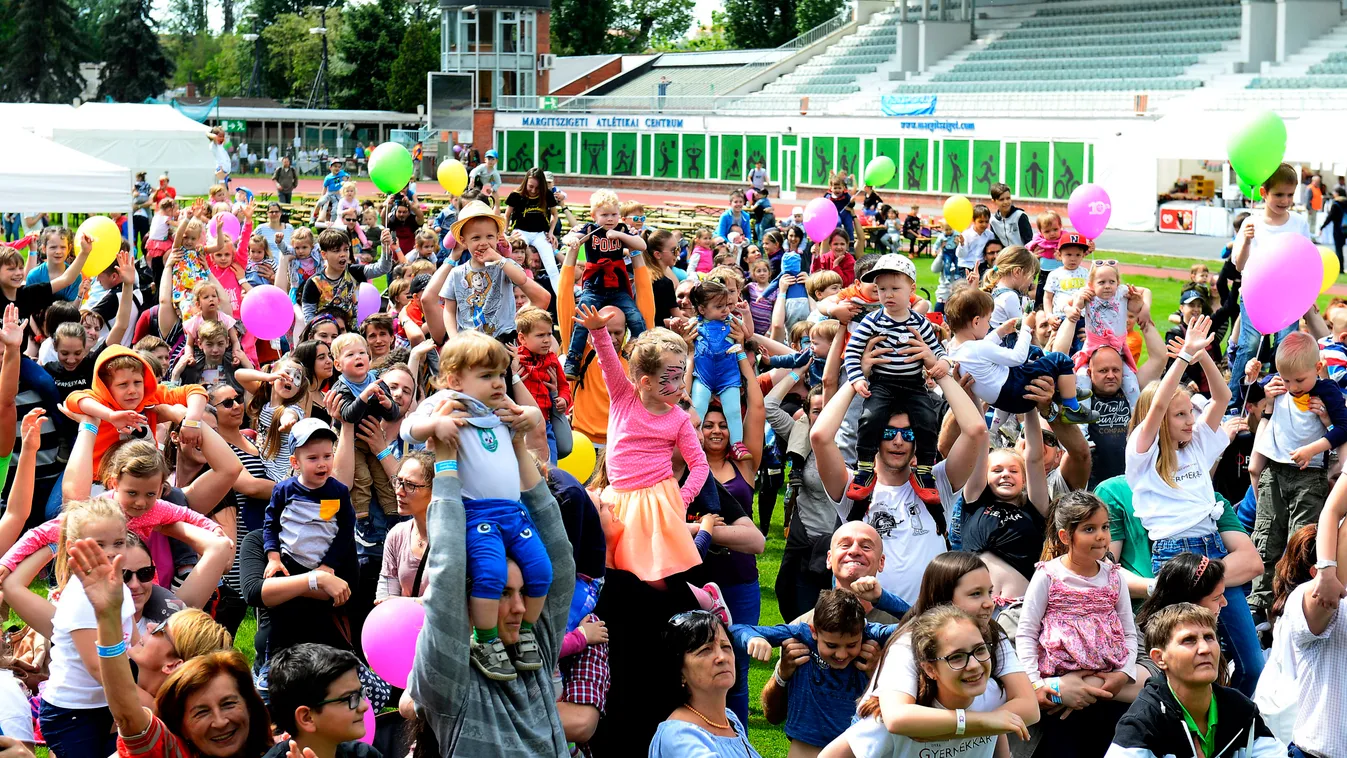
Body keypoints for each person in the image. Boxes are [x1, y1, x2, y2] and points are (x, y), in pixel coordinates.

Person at [408, 394, 576, 755]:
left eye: (522, 592)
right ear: (466, 602)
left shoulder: (533, 649)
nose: (520, 607)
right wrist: (446, 462)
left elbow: (560, 561)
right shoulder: (450, 676)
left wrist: (517, 447)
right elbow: (448, 571)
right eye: (501, 592)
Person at [400, 332, 552, 681]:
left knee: (541, 569)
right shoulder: (447, 402)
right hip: (477, 513)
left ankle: (524, 631)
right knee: (490, 573)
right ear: (455, 380)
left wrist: (529, 416)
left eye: (500, 374)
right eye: (486, 376)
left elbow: (531, 415)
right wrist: (436, 424)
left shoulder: (499, 406)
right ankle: (485, 639)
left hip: (514, 511)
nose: (498, 383)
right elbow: (409, 428)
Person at [826, 605, 1031, 758]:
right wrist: (978, 721)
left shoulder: (993, 696)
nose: (974, 665)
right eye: (956, 657)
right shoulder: (898, 718)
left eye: (979, 650)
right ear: (930, 669)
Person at [1246, 332, 1344, 615]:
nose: (1293, 387)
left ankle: (1289, 604)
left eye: (1299, 380)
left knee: (1299, 542)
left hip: (1309, 476)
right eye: (1286, 380)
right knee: (1266, 536)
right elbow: (1247, 399)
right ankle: (1259, 603)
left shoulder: (1326, 391)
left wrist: (1314, 448)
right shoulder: (1277, 385)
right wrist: (1251, 380)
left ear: (1317, 368)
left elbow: (1344, 427)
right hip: (1275, 472)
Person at [732, 589, 898, 754]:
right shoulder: (801, 634)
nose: (841, 654)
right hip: (805, 750)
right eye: (831, 645)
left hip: (852, 750)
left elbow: (913, 621)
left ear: (862, 630)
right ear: (814, 631)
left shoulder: (872, 635)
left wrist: (882, 597)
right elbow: (736, 629)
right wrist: (753, 638)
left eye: (852, 645)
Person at [1104, 603, 1281, 758]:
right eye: (1189, 640)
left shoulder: (1239, 708)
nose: (1205, 649)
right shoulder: (1144, 721)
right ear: (1159, 658)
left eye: (1209, 637)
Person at [843, 254, 950, 503]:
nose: (887, 295)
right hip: (883, 382)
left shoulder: (920, 323)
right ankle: (865, 468)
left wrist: (944, 362)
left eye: (895, 289)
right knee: (870, 418)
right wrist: (858, 378)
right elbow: (853, 352)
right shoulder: (872, 321)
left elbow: (937, 349)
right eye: (882, 289)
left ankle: (924, 469)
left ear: (911, 289)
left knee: (927, 419)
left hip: (914, 384)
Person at [649, 611, 763, 757]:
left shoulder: (729, 719)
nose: (722, 657)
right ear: (679, 670)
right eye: (705, 650)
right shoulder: (678, 737)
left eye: (726, 647)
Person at [562, 190, 649, 378]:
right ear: (594, 215)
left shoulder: (622, 229)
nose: (610, 219)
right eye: (604, 215)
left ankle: (640, 353)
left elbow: (642, 245)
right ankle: (573, 360)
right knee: (583, 320)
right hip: (595, 286)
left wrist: (619, 236)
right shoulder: (589, 229)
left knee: (635, 318)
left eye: (614, 214)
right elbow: (570, 237)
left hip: (617, 287)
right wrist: (572, 240)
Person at [267, 644, 378, 757]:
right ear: (307, 718)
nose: (364, 706)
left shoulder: (365, 754)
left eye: (360, 693)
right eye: (349, 698)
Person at [502, 168, 561, 286]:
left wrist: (550, 232)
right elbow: (507, 215)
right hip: (520, 231)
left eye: (537, 188)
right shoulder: (516, 195)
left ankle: (561, 296)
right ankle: (515, 289)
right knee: (517, 260)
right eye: (530, 186)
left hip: (540, 234)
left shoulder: (547, 194)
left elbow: (555, 215)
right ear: (526, 183)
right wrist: (506, 232)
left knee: (552, 267)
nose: (533, 191)